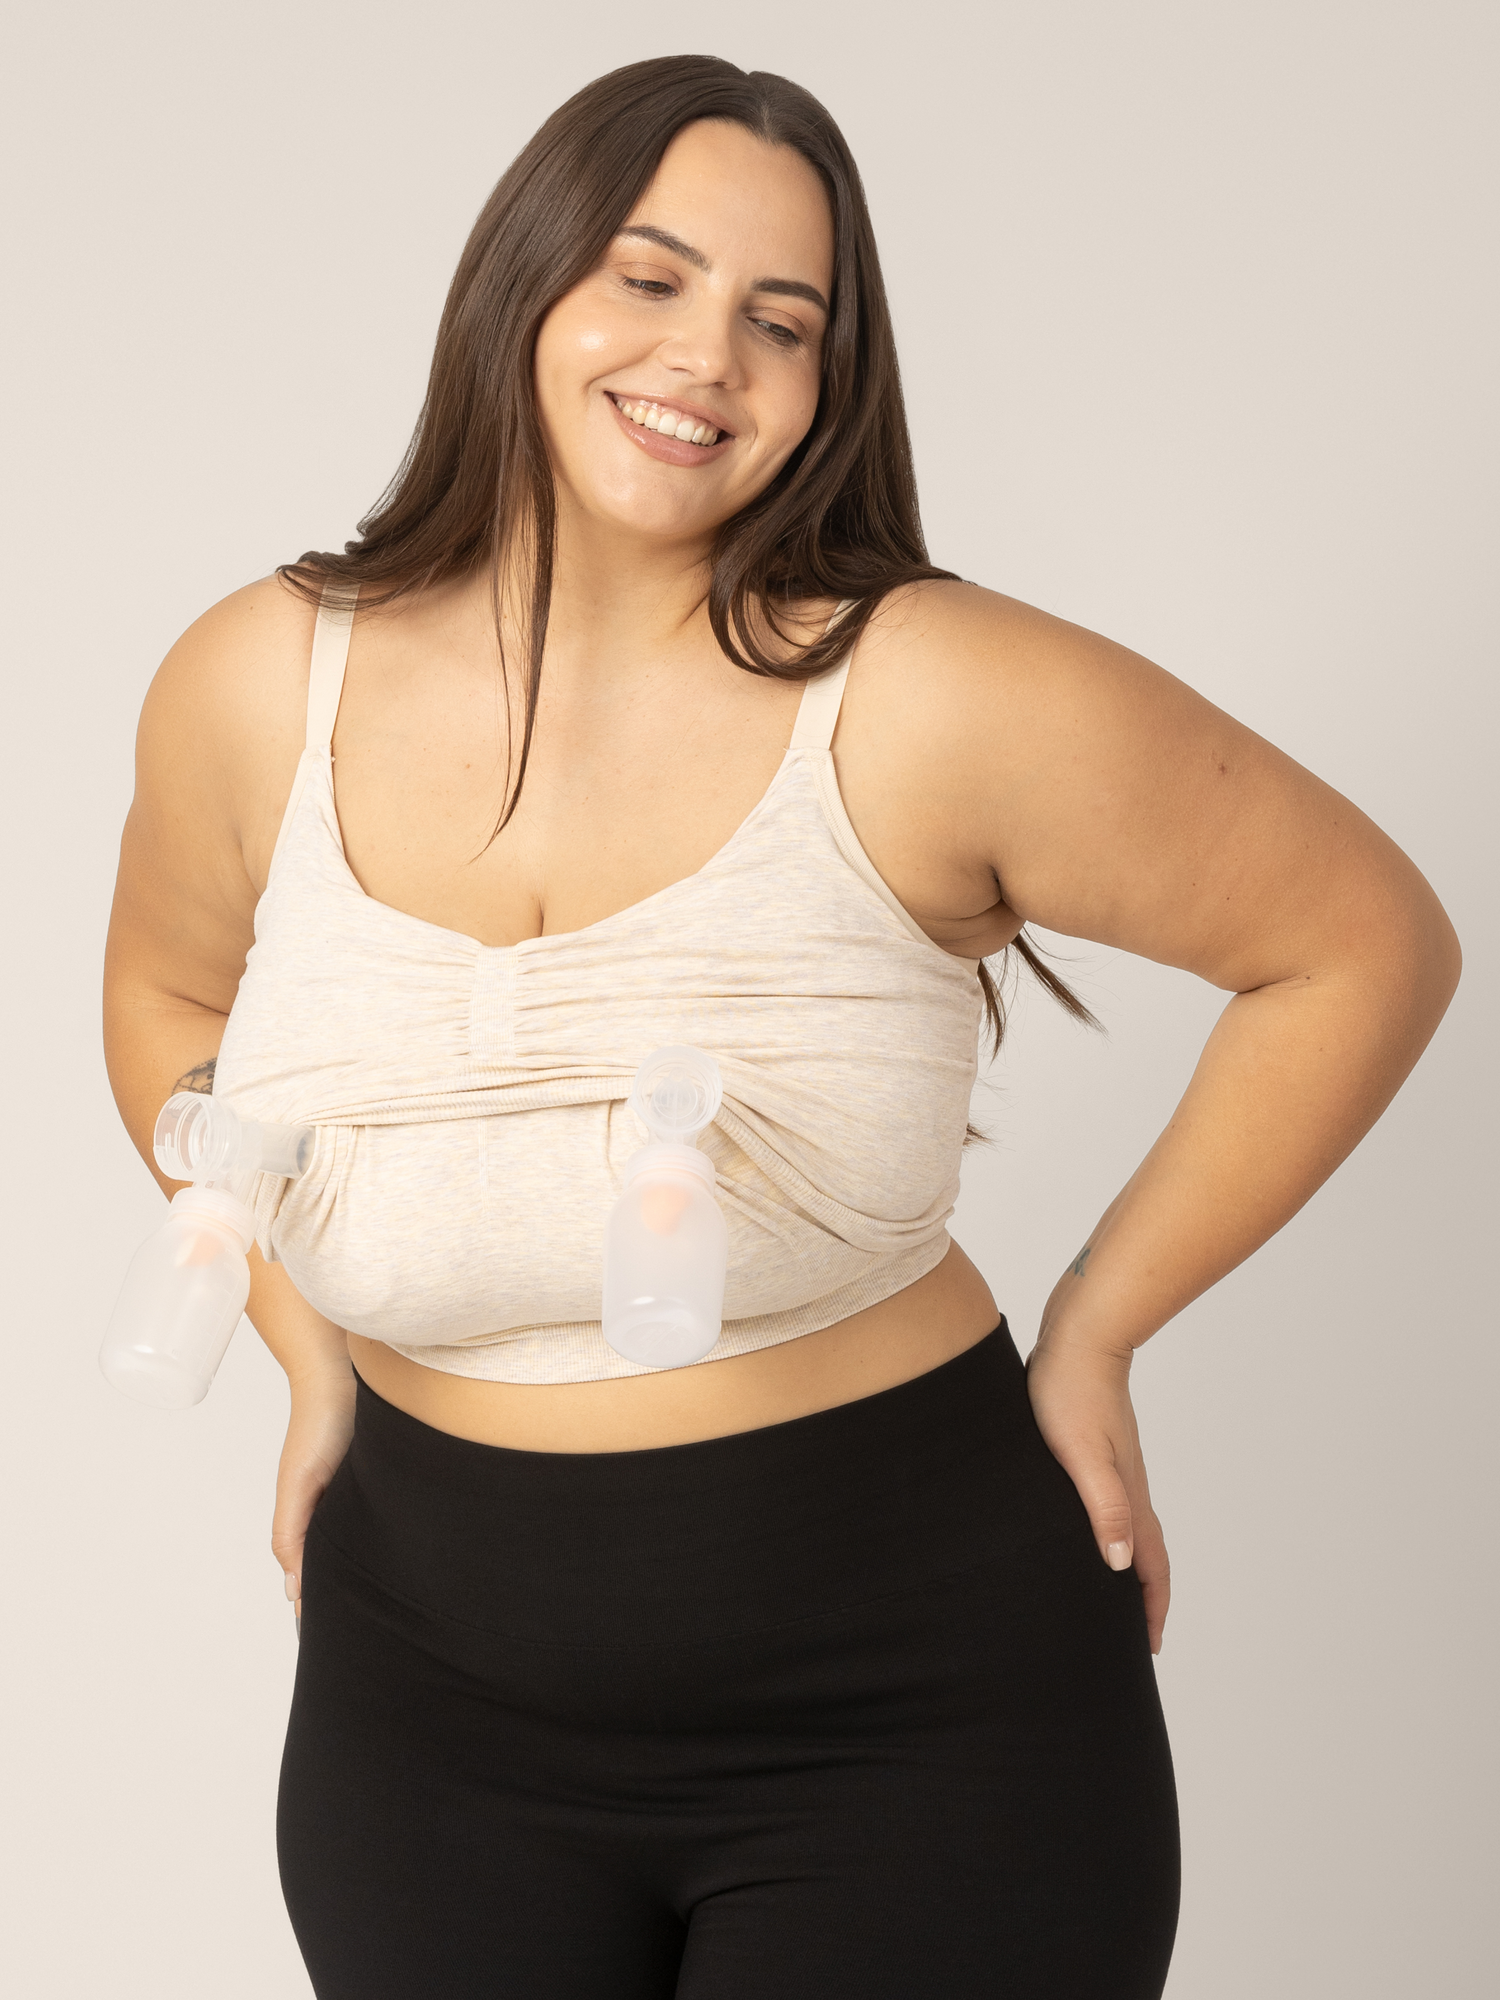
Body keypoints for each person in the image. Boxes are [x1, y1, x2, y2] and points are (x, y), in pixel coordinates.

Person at [101, 55, 1460, 2000]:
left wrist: (1098, 1323)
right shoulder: (258, 678)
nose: (706, 357)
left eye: (782, 319)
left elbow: (1361, 938)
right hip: (426, 1707)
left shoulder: (932, 691)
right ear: (525, 285)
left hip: (914, 1711)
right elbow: (166, 995)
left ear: (833, 380)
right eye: (649, 278)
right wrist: (307, 1349)